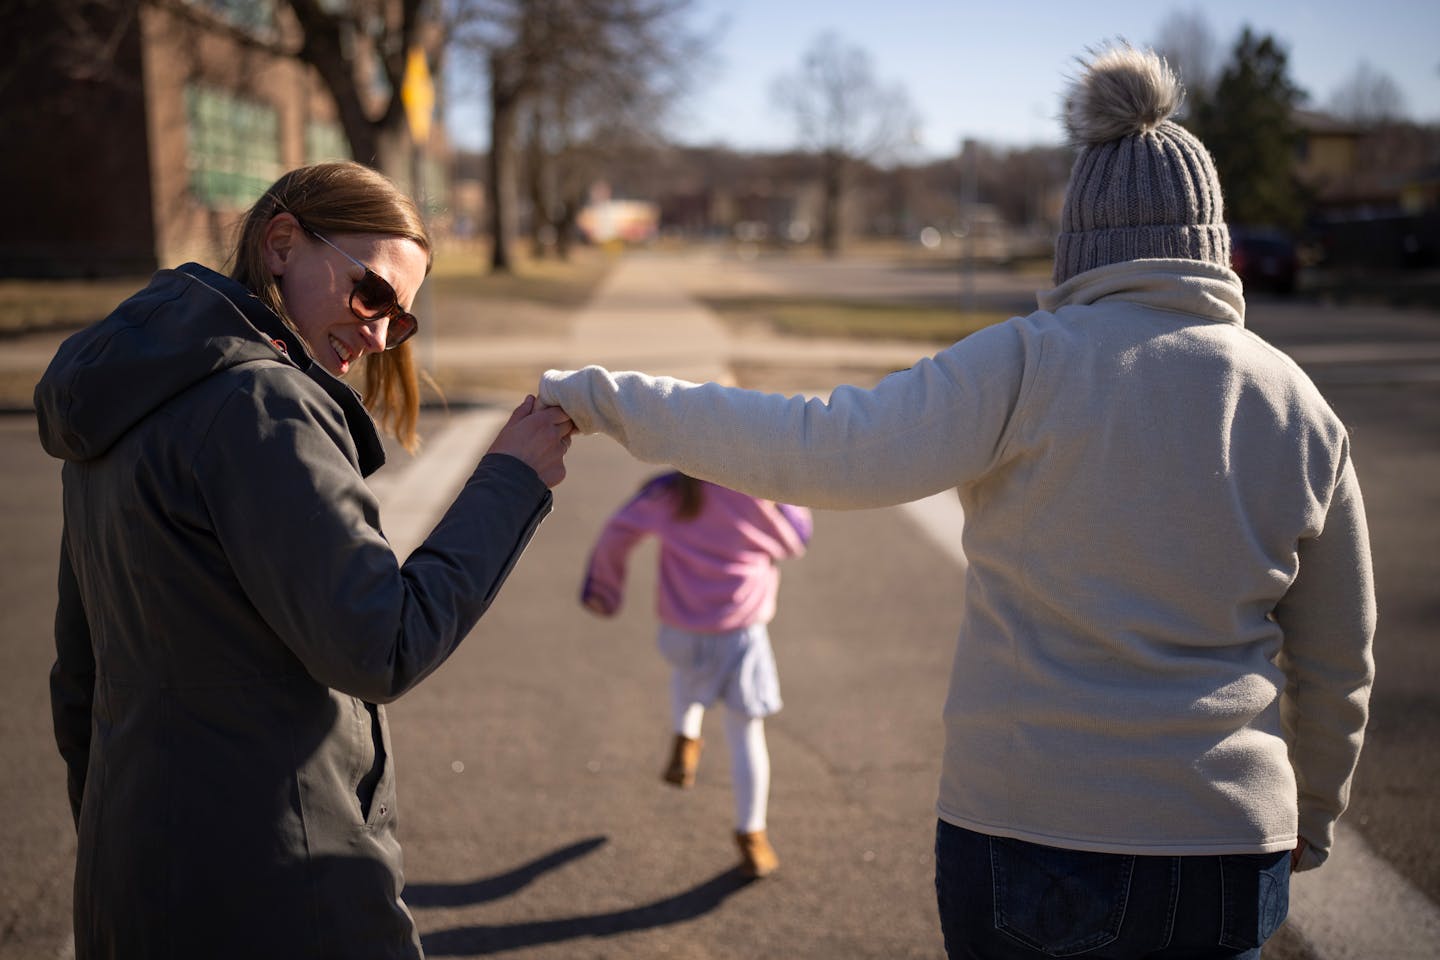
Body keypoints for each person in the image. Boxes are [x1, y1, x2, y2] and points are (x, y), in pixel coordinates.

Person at [537, 45, 1375, 959]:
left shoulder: (1026, 362)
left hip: (1033, 827)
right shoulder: (1297, 405)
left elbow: (819, 446)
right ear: (1211, 242)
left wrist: (604, 398)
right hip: (1226, 841)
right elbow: (1339, 660)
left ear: (1081, 237)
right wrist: (1316, 812)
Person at [34, 160, 574, 960]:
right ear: (282, 243)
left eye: (404, 320)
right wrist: (510, 482)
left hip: (135, 880)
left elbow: (79, 677)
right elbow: (380, 644)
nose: (383, 333)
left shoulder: (127, 397)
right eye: (374, 293)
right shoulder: (262, 405)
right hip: (280, 888)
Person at [581, 471, 812, 878]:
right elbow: (796, 540)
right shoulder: (757, 494)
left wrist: (605, 587)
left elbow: (617, 531)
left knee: (687, 678)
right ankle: (751, 835)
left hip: (681, 628)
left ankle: (686, 735)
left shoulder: (670, 492)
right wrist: (783, 491)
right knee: (745, 734)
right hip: (740, 634)